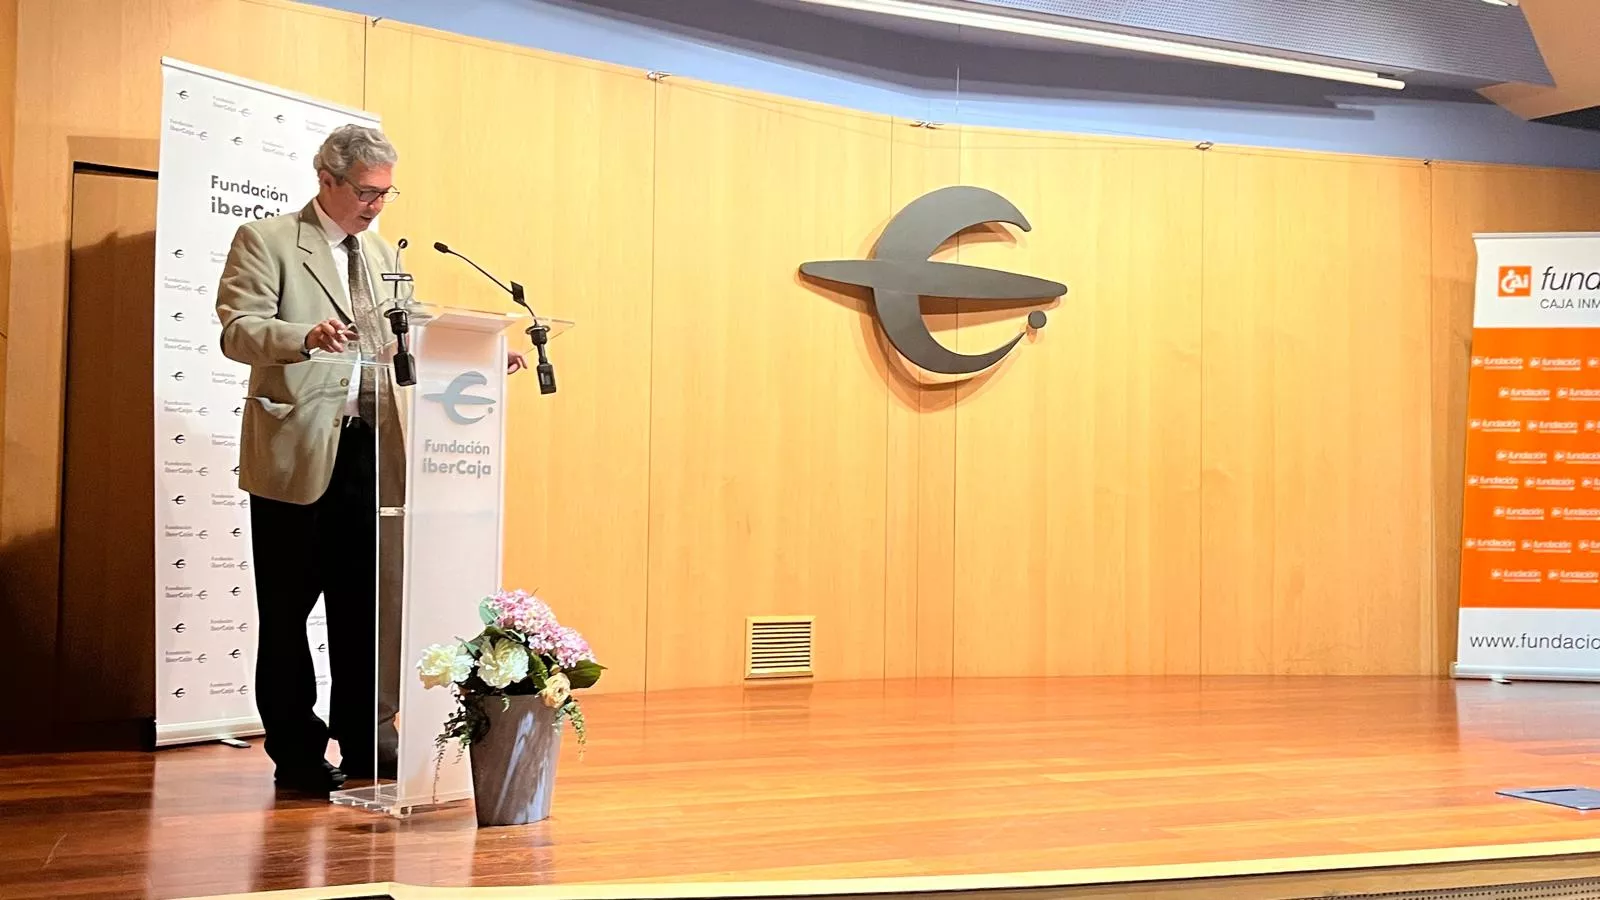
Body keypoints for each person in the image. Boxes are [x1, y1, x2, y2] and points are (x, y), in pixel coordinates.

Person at [216, 124, 526, 793]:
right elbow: (237, 332)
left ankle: (366, 743)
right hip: (295, 458)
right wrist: (306, 335)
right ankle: (297, 756)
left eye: (386, 193)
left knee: (367, 611)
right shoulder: (267, 241)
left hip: (371, 453)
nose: (376, 205)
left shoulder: (381, 251)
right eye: (365, 192)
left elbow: (409, 332)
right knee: (288, 614)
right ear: (326, 177)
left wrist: (479, 357)